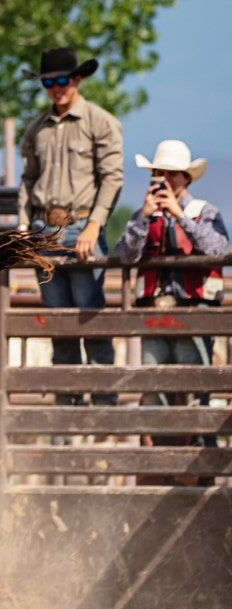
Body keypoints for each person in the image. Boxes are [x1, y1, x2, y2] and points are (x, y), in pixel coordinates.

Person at [19, 47, 124, 406]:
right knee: (58, 326)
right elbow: (28, 180)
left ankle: (104, 411)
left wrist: (95, 225)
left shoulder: (100, 122)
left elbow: (112, 179)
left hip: (81, 229)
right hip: (44, 232)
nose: (56, 88)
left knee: (90, 320)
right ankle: (67, 414)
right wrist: (22, 226)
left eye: (63, 80)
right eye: (49, 82)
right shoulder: (37, 130)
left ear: (77, 79)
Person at [113, 139, 228, 457]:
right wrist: (144, 219)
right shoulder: (143, 215)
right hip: (154, 316)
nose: (166, 180)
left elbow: (216, 249)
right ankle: (161, 464)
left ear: (186, 178)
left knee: (195, 390)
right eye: (160, 173)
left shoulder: (205, 212)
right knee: (153, 392)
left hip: (194, 313)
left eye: (172, 174)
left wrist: (180, 217)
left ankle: (197, 463)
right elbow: (124, 255)